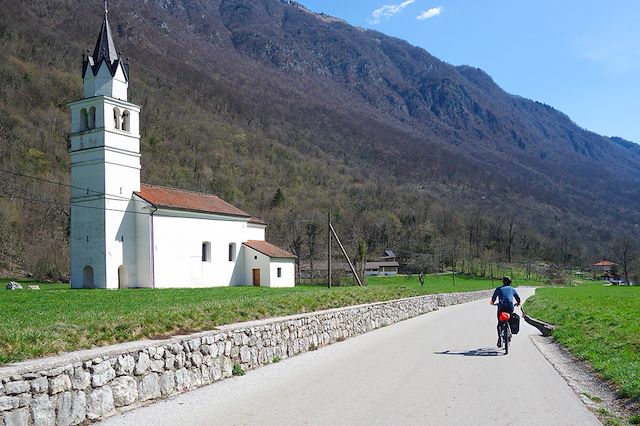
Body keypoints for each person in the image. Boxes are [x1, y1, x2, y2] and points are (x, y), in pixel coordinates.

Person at [490, 276, 521, 347]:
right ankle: (509, 331)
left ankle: (499, 339)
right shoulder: (513, 289)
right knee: (510, 319)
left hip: (501, 307)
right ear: (510, 282)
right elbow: (518, 298)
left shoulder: (499, 289)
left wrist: (493, 303)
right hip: (510, 307)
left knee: (500, 324)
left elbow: (493, 298)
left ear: (503, 282)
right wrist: (518, 303)